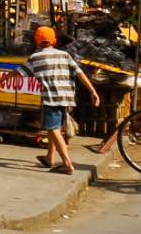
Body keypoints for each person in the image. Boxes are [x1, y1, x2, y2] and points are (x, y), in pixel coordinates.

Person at [27, 26, 99, 175]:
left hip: (51, 99)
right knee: (54, 128)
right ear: (54, 41)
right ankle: (49, 157)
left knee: (53, 129)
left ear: (36, 41)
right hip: (66, 98)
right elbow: (80, 73)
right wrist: (93, 91)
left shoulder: (35, 57)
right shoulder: (65, 55)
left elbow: (21, 71)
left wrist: (8, 77)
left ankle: (67, 164)